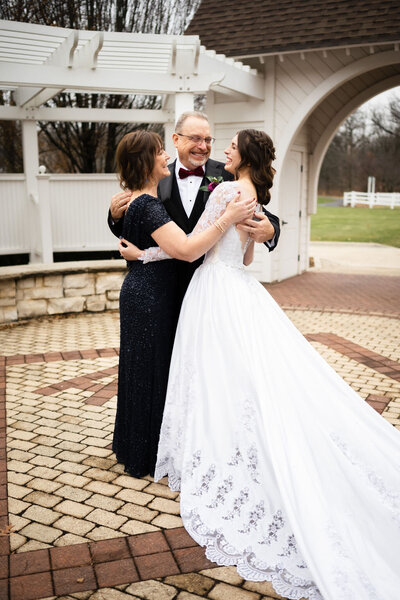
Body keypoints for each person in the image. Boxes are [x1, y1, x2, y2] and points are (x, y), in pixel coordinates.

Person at [120, 129, 400, 600]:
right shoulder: (248, 195)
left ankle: (218, 443)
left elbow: (192, 245)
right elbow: (244, 254)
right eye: (210, 141)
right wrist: (249, 229)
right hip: (239, 288)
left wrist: (144, 252)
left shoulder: (229, 191)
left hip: (211, 289)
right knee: (239, 376)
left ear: (244, 155)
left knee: (211, 377)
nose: (220, 150)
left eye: (228, 145)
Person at [113, 129, 256, 478]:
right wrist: (227, 218)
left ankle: (133, 446)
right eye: (161, 151)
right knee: (150, 372)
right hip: (150, 296)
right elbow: (188, 249)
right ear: (148, 162)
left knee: (143, 371)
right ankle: (144, 454)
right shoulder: (146, 204)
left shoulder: (139, 201)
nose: (165, 157)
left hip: (148, 290)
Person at [108, 111, 280, 305]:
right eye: (196, 139)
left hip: (210, 286)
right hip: (163, 286)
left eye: (207, 139)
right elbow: (140, 220)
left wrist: (270, 230)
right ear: (176, 139)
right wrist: (116, 217)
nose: (203, 146)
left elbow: (260, 211)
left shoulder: (230, 175)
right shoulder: (157, 175)